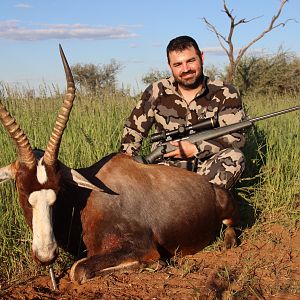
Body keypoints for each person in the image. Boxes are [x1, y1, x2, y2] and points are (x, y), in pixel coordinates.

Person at [120, 35, 246, 189]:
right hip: (164, 168)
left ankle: (203, 204)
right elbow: (133, 131)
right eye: (178, 64)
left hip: (206, 168)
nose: (185, 69)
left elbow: (236, 137)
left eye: (191, 61)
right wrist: (127, 165)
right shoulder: (156, 91)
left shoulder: (226, 92)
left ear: (202, 57)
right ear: (170, 66)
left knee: (235, 157)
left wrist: (197, 148)